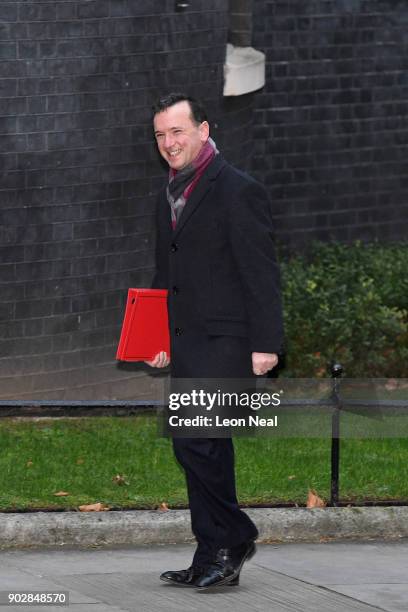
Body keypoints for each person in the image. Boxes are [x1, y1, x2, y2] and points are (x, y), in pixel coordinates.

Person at [147, 93, 284, 590]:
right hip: (186, 341)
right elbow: (165, 274)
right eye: (161, 134)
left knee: (198, 442)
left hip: (228, 339)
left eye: (177, 131)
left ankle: (236, 535)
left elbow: (261, 272)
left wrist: (267, 344)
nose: (169, 143)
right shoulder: (168, 193)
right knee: (197, 448)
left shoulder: (236, 189)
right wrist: (156, 335)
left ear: (203, 130)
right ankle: (212, 551)